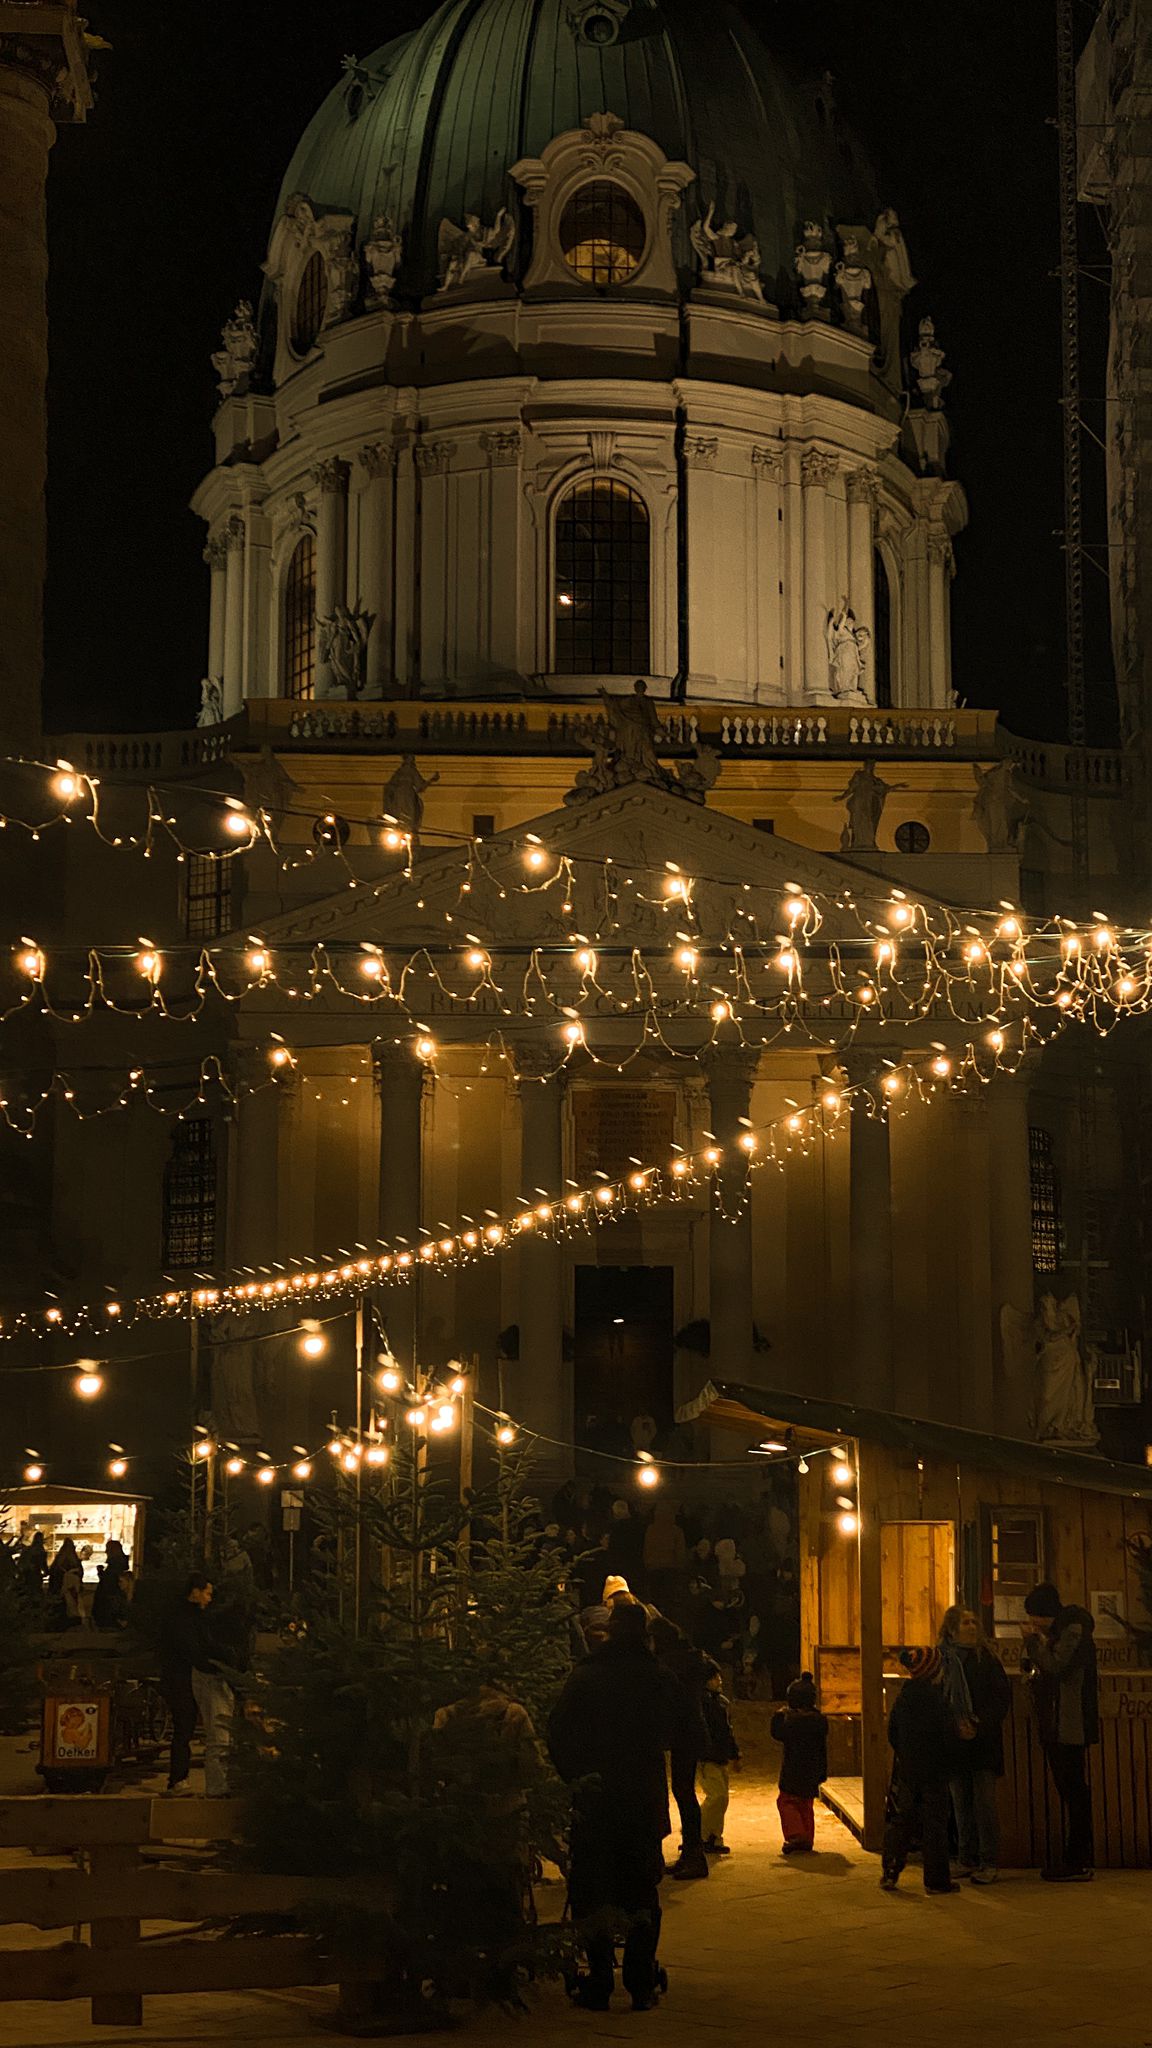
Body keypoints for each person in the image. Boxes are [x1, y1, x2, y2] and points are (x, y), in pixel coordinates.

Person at [549, 1600, 684, 2012]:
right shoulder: (658, 1678)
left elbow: (557, 1733)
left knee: (592, 1889)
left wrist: (576, 1777)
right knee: (641, 1889)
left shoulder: (585, 1677)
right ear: (643, 1636)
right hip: (641, 1800)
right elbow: (683, 1729)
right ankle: (640, 1982)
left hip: (595, 1801)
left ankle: (600, 1981)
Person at [1022, 1581, 1099, 1880]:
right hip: (1058, 1724)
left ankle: (1077, 1860)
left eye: (1034, 1617)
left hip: (1070, 1724)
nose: (1032, 1623)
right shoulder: (1062, 1632)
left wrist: (1032, 1643)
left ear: (1045, 1614)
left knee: (1074, 1790)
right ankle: (1076, 1858)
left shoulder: (1073, 1631)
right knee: (1070, 1789)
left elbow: (1056, 1666)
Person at [938, 1605, 1011, 1883]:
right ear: (952, 1628)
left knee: (985, 1805)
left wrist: (977, 1724)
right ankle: (966, 1858)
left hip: (983, 1743)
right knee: (961, 1806)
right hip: (955, 1743)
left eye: (973, 1622)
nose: (971, 1627)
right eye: (965, 1622)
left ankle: (989, 1861)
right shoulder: (943, 1660)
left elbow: (1001, 1698)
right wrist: (955, 1724)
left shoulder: (988, 1659)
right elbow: (938, 1698)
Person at [880, 1647, 960, 1894]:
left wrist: (904, 1754)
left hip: (908, 1769)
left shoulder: (905, 1697)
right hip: (935, 1771)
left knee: (902, 1819)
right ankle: (936, 1880)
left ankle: (890, 1870)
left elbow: (892, 1731)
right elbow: (948, 1737)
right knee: (934, 1824)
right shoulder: (938, 1700)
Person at [158, 1571, 234, 1796]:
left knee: (185, 1728)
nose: (210, 1599)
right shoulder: (184, 1619)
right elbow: (192, 1650)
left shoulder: (189, 1616)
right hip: (181, 1678)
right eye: (207, 1593)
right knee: (184, 1727)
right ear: (196, 1592)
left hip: (186, 1676)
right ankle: (178, 1780)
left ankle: (179, 1779)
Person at [648, 1610, 710, 1881]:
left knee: (684, 1792)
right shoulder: (690, 1659)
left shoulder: (669, 1666)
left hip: (683, 1733)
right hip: (691, 1731)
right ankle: (692, 1853)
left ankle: (694, 1855)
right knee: (685, 1791)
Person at [771, 1671, 828, 1854]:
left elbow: (777, 1733)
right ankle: (807, 1838)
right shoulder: (819, 1720)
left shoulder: (792, 1722)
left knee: (787, 1802)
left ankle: (796, 1836)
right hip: (814, 1770)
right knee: (806, 1805)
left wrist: (779, 1716)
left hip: (792, 1771)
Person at [698, 1658, 740, 1855]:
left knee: (722, 1799)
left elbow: (727, 1731)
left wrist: (734, 1754)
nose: (720, 1680)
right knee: (716, 1796)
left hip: (720, 1755)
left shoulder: (720, 1702)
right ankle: (701, 1835)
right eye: (715, 1677)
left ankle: (714, 1836)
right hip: (708, 1756)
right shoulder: (703, 1703)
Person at [45, 1538, 83, 1631]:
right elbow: (80, 1573)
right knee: (71, 1607)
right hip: (71, 1589)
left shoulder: (59, 1560)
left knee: (60, 1608)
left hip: (59, 1588)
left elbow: (52, 1572)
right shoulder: (75, 1561)